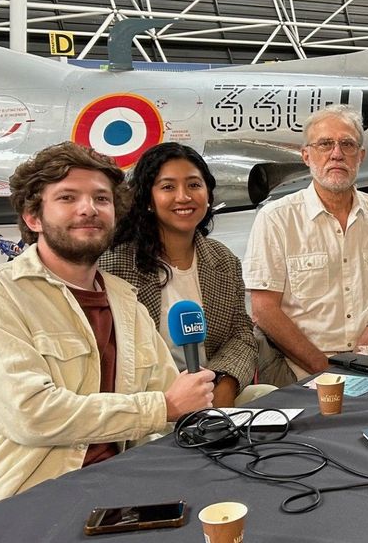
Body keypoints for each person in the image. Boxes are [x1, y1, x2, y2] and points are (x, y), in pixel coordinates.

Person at [0, 142, 215, 515]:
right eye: (68, 197)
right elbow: (33, 415)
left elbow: (167, 395)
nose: (89, 208)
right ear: (34, 218)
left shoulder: (124, 302)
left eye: (102, 199)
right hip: (22, 501)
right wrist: (162, 407)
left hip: (121, 486)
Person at [244, 105, 368, 386]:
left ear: (360, 156)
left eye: (347, 144)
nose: (337, 153)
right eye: (325, 144)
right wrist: (326, 370)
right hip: (301, 371)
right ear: (306, 155)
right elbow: (264, 310)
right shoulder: (276, 219)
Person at [101, 143, 263, 407]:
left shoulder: (223, 260)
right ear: (148, 200)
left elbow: (241, 335)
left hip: (211, 392)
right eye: (168, 187)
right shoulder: (114, 263)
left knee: (266, 395)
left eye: (194, 185)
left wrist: (225, 383)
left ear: (208, 194)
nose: (184, 196)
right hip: (150, 402)